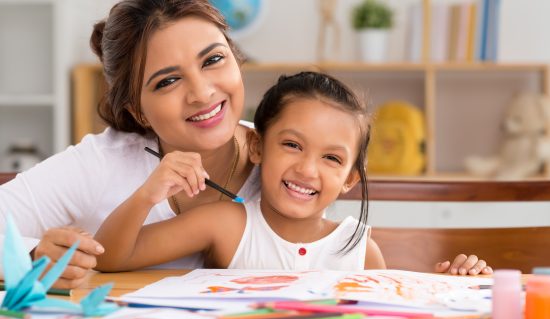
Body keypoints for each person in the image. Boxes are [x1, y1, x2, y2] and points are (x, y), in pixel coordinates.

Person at [95, 72, 493, 275]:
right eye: (292, 145)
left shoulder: (360, 250)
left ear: (351, 178)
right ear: (256, 147)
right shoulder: (225, 224)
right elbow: (111, 259)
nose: (307, 169)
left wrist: (451, 285)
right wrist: (148, 194)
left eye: (332, 159)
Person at [0, 0, 260, 288]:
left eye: (213, 60)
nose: (201, 93)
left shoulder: (292, 154)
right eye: (168, 81)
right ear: (137, 110)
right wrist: (30, 257)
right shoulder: (100, 163)